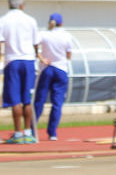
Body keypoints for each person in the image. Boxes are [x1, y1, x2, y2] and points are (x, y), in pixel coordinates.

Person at [0, 0, 40, 144]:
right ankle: (27, 132)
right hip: (28, 60)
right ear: (22, 5)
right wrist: (36, 56)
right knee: (27, 99)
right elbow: (35, 43)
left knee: (15, 100)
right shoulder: (31, 20)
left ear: (9, 5)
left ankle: (18, 133)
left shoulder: (2, 20)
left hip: (12, 61)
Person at [34, 13, 72, 141]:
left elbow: (34, 44)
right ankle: (52, 132)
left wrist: (41, 58)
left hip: (47, 68)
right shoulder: (67, 36)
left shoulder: (45, 34)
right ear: (62, 23)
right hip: (61, 69)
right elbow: (69, 55)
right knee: (57, 103)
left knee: (39, 100)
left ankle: (33, 129)